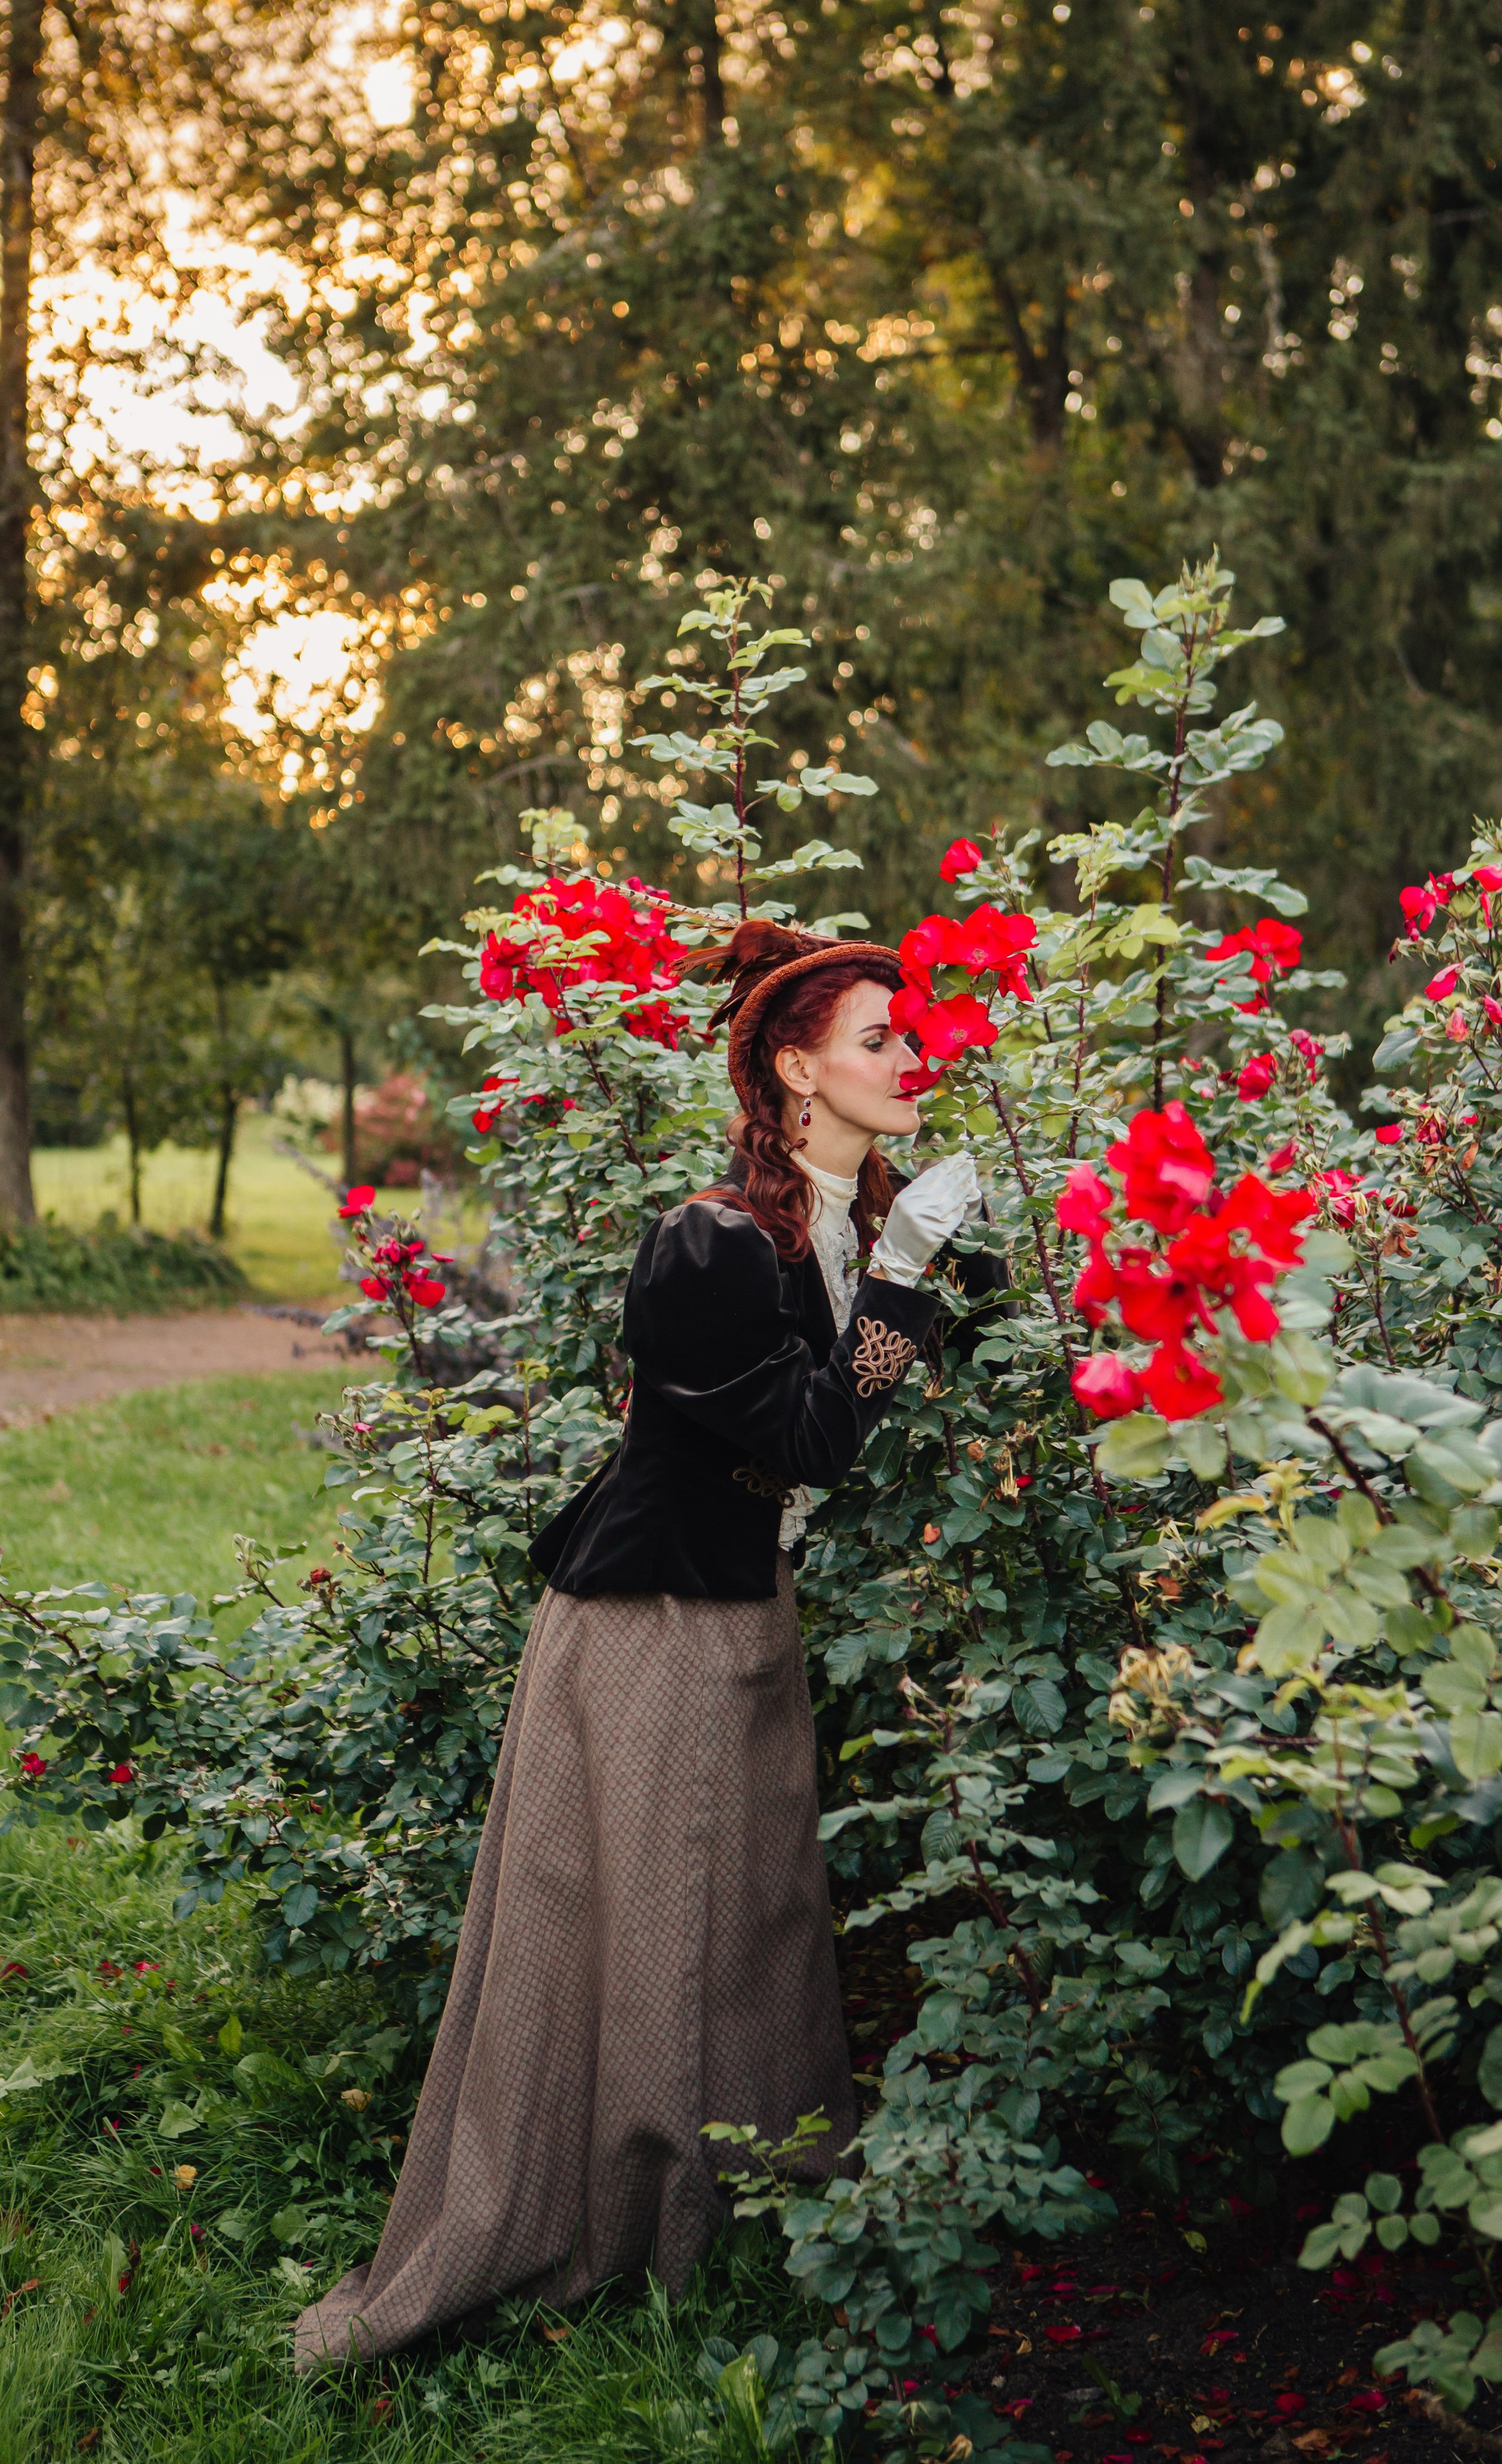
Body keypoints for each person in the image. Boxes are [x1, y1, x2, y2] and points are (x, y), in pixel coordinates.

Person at [295, 920, 983, 2371]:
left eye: (909, 1036)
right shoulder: (707, 1244)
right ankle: (634, 2227)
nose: (909, 1058)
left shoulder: (846, 1224)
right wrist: (912, 1273)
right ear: (796, 1068)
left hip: (742, 1614)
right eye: (878, 1039)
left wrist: (940, 1258)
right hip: (646, 1624)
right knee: (658, 1914)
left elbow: (927, 1359)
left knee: (752, 1913)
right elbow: (811, 1439)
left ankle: (745, 2205)